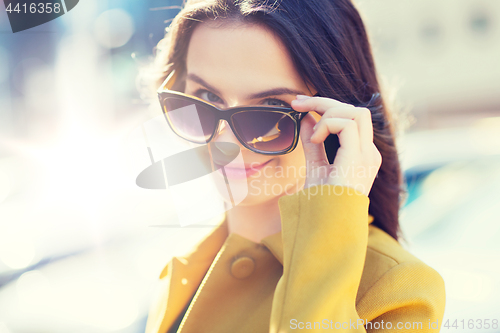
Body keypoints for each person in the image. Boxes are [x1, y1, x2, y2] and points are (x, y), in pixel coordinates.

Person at [142, 0, 446, 332]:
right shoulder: (186, 264)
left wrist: (330, 215)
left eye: (272, 108)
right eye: (206, 97)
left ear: (338, 117)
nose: (224, 141)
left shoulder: (397, 290)